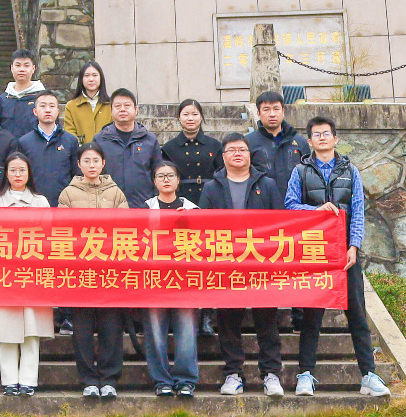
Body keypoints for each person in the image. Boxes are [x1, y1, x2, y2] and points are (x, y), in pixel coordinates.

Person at [285, 116, 389, 397]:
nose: (322, 138)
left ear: (335, 138)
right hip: (314, 251)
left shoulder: (351, 171)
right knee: (312, 315)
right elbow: (290, 206)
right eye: (316, 134)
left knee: (356, 313)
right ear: (309, 141)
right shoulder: (300, 171)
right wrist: (315, 211)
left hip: (345, 252)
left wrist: (354, 246)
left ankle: (368, 375)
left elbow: (358, 211)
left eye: (326, 133)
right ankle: (305, 374)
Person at [200, 133, 291, 396]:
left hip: (262, 264)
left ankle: (271, 374)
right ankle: (233, 373)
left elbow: (281, 224)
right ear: (223, 156)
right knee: (228, 321)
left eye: (242, 149)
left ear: (250, 154)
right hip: (226, 265)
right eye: (231, 150)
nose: (237, 153)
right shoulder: (212, 187)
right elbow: (203, 226)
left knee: (267, 320)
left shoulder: (267, 184)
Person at [57, 144, 127, 398]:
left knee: (111, 327)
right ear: (79, 164)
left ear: (103, 163)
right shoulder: (68, 193)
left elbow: (125, 228)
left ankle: (109, 379)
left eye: (96, 160)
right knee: (82, 328)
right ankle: (88, 379)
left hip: (110, 270)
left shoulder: (116, 192)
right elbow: (63, 230)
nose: (91, 165)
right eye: (86, 161)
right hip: (80, 270)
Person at [0, 152, 53, 396]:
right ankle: (9, 381)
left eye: (22, 170)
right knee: (7, 330)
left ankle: (29, 380)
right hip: (5, 272)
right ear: (6, 173)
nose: (17, 174)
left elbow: (48, 236)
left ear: (29, 173)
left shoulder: (41, 202)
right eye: (13, 170)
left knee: (32, 330)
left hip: (33, 271)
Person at [140, 161, 199, 399]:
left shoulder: (192, 209)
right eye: (161, 176)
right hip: (154, 278)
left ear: (178, 180)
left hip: (185, 279)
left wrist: (189, 222)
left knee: (186, 330)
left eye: (170, 175)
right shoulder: (145, 209)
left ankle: (186, 380)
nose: (166, 180)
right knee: (155, 331)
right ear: (154, 181)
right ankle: (161, 380)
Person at [93, 87, 161, 209]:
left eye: (127, 105)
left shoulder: (149, 140)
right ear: (111, 111)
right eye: (118, 106)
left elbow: (158, 172)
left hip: (143, 206)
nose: (122, 109)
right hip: (108, 207)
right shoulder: (100, 140)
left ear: (136, 110)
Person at [15, 90, 79, 205]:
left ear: (58, 111)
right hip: (33, 204)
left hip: (63, 205)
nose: (48, 110)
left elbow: (76, 175)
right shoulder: (24, 142)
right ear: (35, 111)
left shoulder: (70, 141)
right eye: (43, 106)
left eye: (52, 106)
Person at [246, 90, 311, 192]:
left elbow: (309, 176)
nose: (272, 114)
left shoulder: (300, 142)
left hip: (294, 199)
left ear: (283, 112)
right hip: (262, 199)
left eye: (276, 109)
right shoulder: (248, 142)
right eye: (266, 109)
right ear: (258, 113)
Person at [161, 99, 222, 205]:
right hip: (179, 200)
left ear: (201, 117)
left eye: (195, 114)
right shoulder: (169, 148)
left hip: (209, 198)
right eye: (185, 114)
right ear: (179, 117)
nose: (190, 118)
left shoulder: (214, 145)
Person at [63, 61, 113, 144]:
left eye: (95, 75)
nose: (91, 79)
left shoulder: (111, 105)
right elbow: (70, 134)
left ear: (101, 78)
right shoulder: (71, 106)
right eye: (87, 75)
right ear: (81, 79)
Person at [0, 49, 47, 131]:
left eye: (26, 66)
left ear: (33, 68)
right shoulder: (4, 99)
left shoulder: (42, 97)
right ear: (11, 68)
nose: (22, 69)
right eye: (18, 65)